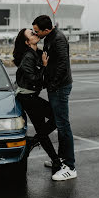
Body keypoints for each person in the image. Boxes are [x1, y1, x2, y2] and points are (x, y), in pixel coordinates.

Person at [32, 15, 77, 181]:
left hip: (60, 88)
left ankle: (70, 167)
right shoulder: (49, 37)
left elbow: (62, 66)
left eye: (37, 31)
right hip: (55, 87)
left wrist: (52, 85)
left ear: (46, 29)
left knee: (63, 125)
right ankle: (61, 161)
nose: (35, 33)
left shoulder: (57, 39)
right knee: (60, 124)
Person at [13, 28, 62, 176]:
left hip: (31, 96)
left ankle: (55, 159)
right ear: (27, 42)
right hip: (27, 98)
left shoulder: (37, 53)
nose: (35, 34)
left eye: (34, 32)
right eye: (31, 34)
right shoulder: (28, 57)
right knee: (56, 118)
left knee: (42, 130)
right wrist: (44, 66)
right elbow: (33, 78)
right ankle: (33, 142)